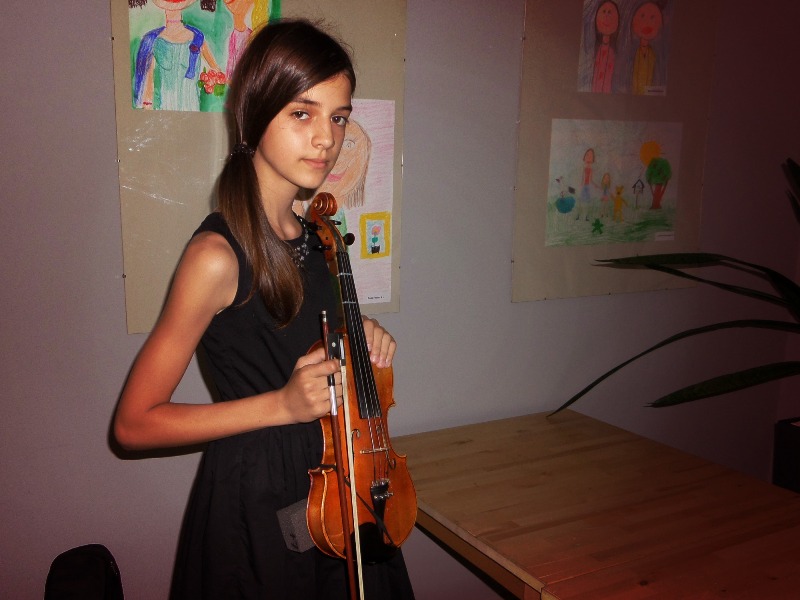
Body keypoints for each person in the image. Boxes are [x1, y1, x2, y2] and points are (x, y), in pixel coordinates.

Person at [114, 19, 415, 600]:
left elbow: (294, 339)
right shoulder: (215, 256)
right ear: (255, 115)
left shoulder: (318, 237)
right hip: (259, 505)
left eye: (339, 117)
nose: (326, 138)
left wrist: (358, 333)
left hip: (342, 487)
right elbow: (133, 423)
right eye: (303, 113)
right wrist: (280, 405)